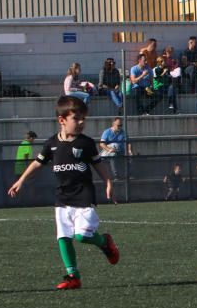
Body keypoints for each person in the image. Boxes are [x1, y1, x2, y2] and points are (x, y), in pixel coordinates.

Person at [7, 96, 119, 290]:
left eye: (84, 118)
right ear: (62, 120)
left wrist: (108, 182)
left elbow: (98, 164)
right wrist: (21, 180)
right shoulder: (52, 144)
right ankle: (72, 276)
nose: (82, 122)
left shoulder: (86, 143)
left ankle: (104, 242)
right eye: (77, 119)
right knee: (63, 237)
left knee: (82, 236)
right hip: (62, 197)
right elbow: (38, 162)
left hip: (84, 195)